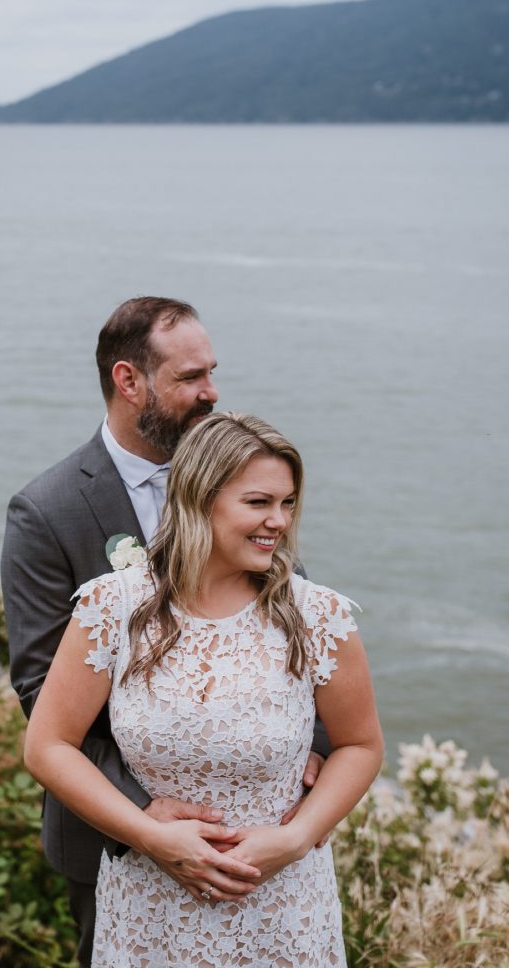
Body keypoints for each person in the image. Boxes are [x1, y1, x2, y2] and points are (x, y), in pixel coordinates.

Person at [1, 298, 327, 967]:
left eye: (212, 372)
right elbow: (41, 690)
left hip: (260, 838)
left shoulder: (244, 479)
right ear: (129, 382)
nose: (211, 392)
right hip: (112, 838)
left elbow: (298, 629)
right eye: (189, 378)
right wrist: (147, 815)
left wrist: (311, 749)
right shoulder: (47, 510)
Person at [24, 412, 384, 968]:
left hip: (283, 910)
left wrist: (297, 838)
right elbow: (48, 746)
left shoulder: (319, 615)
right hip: (148, 907)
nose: (279, 522)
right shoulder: (112, 607)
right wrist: (149, 836)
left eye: (288, 504)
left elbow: (361, 746)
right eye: (259, 503)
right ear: (200, 499)